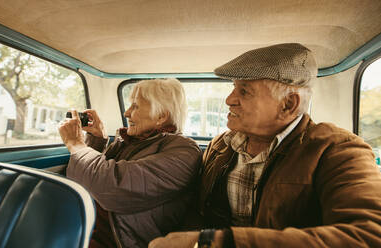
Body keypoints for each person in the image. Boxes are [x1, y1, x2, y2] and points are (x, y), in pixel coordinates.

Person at [149, 43, 381, 248]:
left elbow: (370, 235)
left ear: (288, 104)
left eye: (245, 91)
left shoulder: (338, 150)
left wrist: (218, 243)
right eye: (233, 88)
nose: (229, 99)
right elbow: (198, 211)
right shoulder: (221, 145)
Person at [58, 78, 201, 248]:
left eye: (135, 106)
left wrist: (76, 144)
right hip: (84, 226)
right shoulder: (129, 141)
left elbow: (112, 187)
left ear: (161, 116)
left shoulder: (184, 152)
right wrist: (97, 141)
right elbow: (86, 181)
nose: (126, 113)